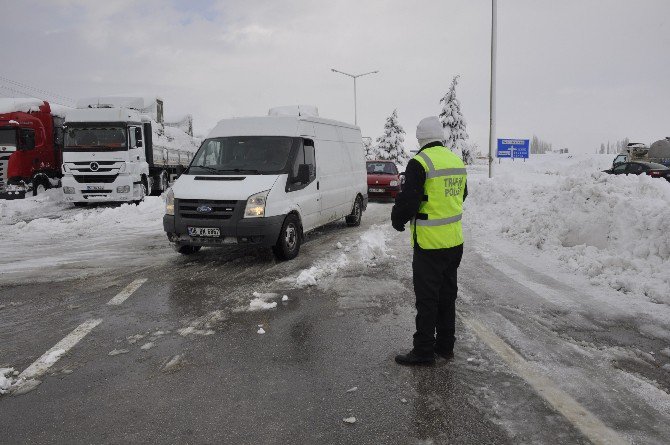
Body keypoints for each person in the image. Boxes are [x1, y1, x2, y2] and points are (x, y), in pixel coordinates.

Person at [391, 116, 468, 366]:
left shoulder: (419, 162)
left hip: (429, 245)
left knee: (427, 299)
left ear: (420, 138)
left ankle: (423, 350)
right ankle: (445, 347)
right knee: (447, 296)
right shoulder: (456, 160)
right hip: (454, 242)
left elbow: (410, 199)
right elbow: (462, 194)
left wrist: (397, 218)